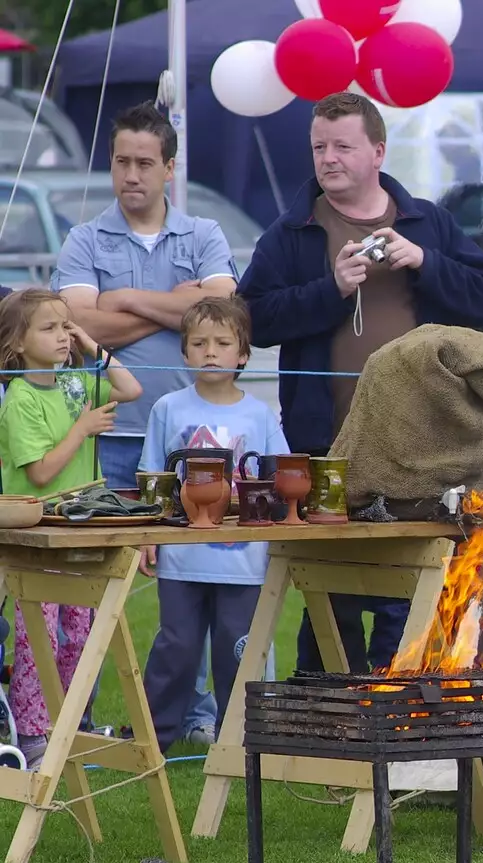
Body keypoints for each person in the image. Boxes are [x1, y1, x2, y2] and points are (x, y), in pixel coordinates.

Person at [238, 91, 483, 674]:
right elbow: (251, 320)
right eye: (318, 147)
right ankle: (326, 714)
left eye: (342, 146)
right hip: (327, 444)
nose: (328, 158)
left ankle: (398, 713)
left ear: (378, 151)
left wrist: (425, 261)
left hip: (420, 447)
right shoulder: (294, 232)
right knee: (330, 587)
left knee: (407, 588)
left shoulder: (426, 222)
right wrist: (328, 289)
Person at [52, 100, 239, 741]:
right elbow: (80, 331)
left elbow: (223, 315)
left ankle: (195, 715)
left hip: (195, 443)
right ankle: (80, 716)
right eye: (120, 162)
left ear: (169, 169)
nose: (130, 175)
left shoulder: (205, 234)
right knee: (87, 586)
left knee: (196, 579)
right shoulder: (84, 239)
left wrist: (122, 300)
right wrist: (179, 308)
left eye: (143, 163)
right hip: (104, 435)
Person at [138, 297, 287, 750]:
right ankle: (153, 737)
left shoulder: (260, 414)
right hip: (182, 558)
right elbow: (152, 478)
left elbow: (280, 476)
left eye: (223, 343)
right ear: (184, 352)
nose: (210, 351)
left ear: (243, 353)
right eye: (199, 343)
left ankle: (240, 738)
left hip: (243, 562)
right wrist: (149, 536)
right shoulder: (167, 408)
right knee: (177, 648)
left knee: (235, 649)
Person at [0, 290, 141, 768]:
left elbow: (130, 388)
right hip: (40, 537)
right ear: (16, 343)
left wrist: (91, 342)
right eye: (50, 328)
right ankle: (36, 734)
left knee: (82, 635)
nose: (62, 337)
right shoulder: (19, 398)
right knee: (38, 637)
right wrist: (81, 430)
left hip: (79, 529)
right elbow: (39, 473)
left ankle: (70, 724)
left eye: (66, 327)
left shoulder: (76, 382)